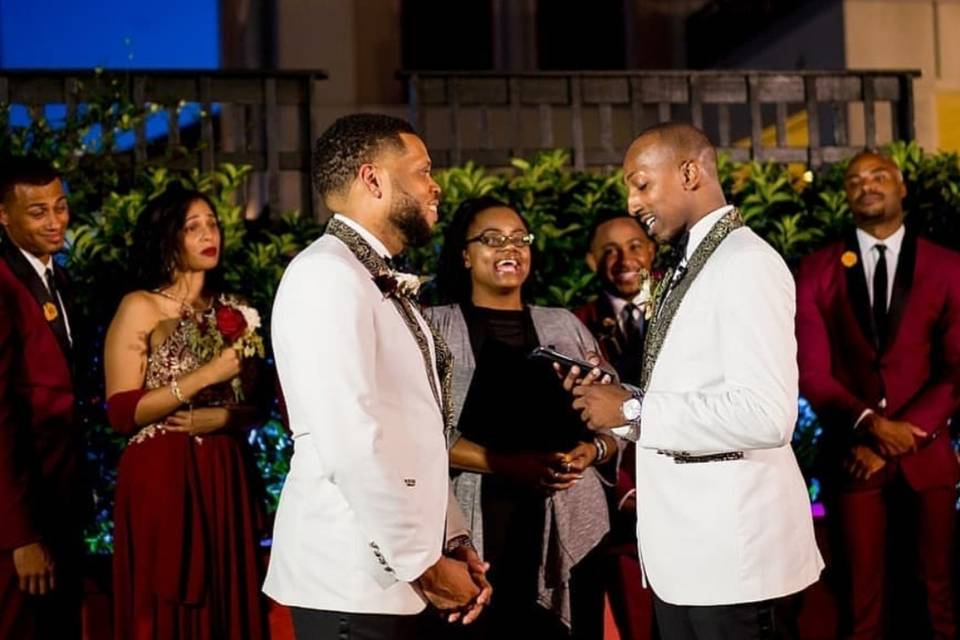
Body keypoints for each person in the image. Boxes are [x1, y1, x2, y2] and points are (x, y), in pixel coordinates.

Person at [566, 122, 823, 639]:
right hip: (687, 560)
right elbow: (695, 390)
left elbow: (766, 414)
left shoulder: (746, 262)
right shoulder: (691, 265)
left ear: (689, 172)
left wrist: (633, 413)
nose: (634, 202)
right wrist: (619, 396)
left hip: (736, 560)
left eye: (641, 184)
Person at [264, 113, 490, 640]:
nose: (435, 185)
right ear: (373, 180)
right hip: (352, 581)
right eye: (422, 170)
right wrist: (427, 568)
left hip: (399, 575)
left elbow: (413, 433)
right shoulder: (326, 276)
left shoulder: (371, 277)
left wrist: (453, 539)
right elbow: (351, 439)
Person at [426, 196, 619, 640]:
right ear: (464, 254)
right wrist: (507, 463)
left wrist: (594, 450)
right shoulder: (434, 327)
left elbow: (617, 414)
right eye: (492, 240)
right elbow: (415, 431)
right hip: (476, 521)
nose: (509, 248)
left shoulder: (564, 324)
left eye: (519, 239)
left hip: (568, 514)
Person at [796, 150, 960, 639]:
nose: (867, 185)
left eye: (879, 175)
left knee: (938, 598)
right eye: (855, 179)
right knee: (858, 603)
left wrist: (904, 434)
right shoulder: (816, 269)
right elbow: (813, 372)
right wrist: (869, 427)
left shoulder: (949, 266)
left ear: (901, 187)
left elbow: (957, 367)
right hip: (852, 459)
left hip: (926, 458)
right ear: (845, 194)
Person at [104, 185, 268, 639]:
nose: (207, 233)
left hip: (224, 470)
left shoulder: (235, 310)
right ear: (167, 238)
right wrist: (201, 377)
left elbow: (262, 402)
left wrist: (227, 419)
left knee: (227, 598)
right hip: (163, 474)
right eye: (192, 227)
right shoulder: (140, 306)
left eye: (212, 223)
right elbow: (120, 412)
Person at [0, 157, 86, 639]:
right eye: (38, 212)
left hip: (63, 499)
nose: (55, 222)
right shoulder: (4, 284)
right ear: (3, 215)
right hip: (22, 515)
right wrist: (20, 536)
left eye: (61, 207)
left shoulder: (57, 278)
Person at [573, 210, 657, 640]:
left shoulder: (683, 315)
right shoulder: (576, 325)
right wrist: (624, 491)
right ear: (592, 262)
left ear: (653, 251)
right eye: (609, 250)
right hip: (621, 508)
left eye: (634, 246)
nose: (623, 259)